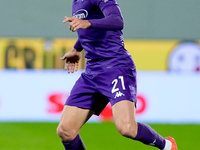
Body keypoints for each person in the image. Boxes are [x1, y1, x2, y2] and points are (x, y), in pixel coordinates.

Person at [57, 0, 178, 149]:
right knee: (65, 130)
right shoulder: (76, 2)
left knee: (127, 128)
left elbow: (117, 20)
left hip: (115, 66)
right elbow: (88, 29)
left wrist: (87, 22)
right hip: (92, 71)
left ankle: (167, 146)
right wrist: (76, 49)